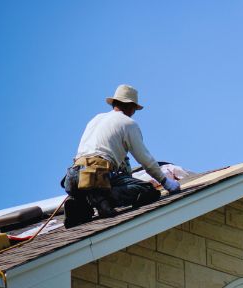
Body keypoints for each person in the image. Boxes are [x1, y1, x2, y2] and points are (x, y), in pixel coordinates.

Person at [62, 84, 180, 228]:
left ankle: (82, 205)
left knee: (92, 191)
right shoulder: (128, 123)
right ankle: (103, 200)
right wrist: (166, 182)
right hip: (97, 176)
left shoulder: (96, 119)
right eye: (134, 109)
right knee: (148, 191)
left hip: (73, 177)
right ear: (130, 106)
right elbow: (145, 160)